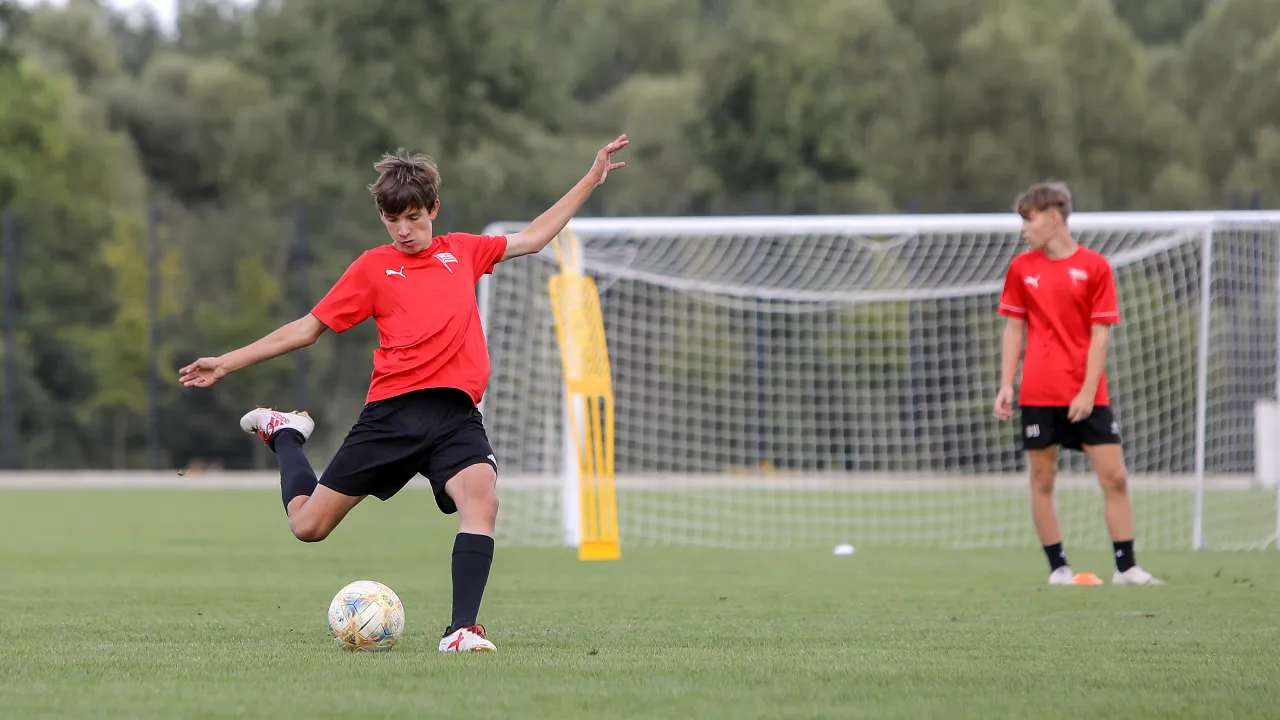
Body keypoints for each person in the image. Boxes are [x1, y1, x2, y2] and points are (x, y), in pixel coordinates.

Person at [179, 134, 630, 651]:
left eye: (413, 218)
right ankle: (285, 435)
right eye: (393, 220)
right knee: (307, 526)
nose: (404, 230)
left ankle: (461, 630)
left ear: (433, 208)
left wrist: (590, 179)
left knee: (482, 502)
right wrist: (227, 362)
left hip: (456, 417)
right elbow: (307, 329)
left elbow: (532, 237)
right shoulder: (373, 267)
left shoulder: (463, 251)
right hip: (391, 417)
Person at [993, 181, 1161, 587]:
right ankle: (1059, 568)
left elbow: (1101, 334)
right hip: (1038, 391)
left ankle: (1126, 567)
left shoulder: (1095, 267)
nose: (1023, 229)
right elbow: (1015, 329)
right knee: (1042, 479)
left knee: (1115, 477)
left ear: (1053, 218)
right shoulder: (1021, 269)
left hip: (1088, 393)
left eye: (1028, 220)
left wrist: (1087, 391)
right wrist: (1005, 385)